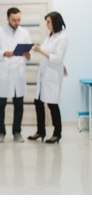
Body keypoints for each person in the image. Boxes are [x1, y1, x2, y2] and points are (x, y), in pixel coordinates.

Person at [0, 7, 32, 143]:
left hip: (18, 72)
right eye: (14, 20)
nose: (17, 22)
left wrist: (27, 55)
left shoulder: (24, 32)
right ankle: (0, 132)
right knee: (0, 105)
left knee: (19, 105)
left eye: (19, 20)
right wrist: (3, 53)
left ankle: (17, 132)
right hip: (4, 72)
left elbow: (29, 53)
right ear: (8, 19)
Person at [28, 12, 69, 144]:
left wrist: (40, 50)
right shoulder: (50, 36)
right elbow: (52, 54)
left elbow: (57, 57)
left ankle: (57, 133)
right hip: (44, 74)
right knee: (38, 102)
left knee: (52, 104)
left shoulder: (63, 37)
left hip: (52, 76)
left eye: (48, 22)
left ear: (55, 22)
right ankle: (40, 131)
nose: (46, 24)